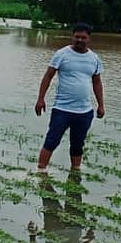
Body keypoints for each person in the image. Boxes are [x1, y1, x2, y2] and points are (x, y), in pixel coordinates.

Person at [34, 22, 104, 173]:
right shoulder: (62, 54)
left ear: (89, 39)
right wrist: (41, 98)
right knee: (52, 140)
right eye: (76, 37)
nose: (79, 40)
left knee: (78, 144)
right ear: (72, 37)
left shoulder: (94, 58)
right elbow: (48, 76)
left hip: (84, 111)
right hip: (62, 109)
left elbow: (97, 82)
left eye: (83, 37)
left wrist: (101, 105)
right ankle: (41, 170)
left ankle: (76, 170)